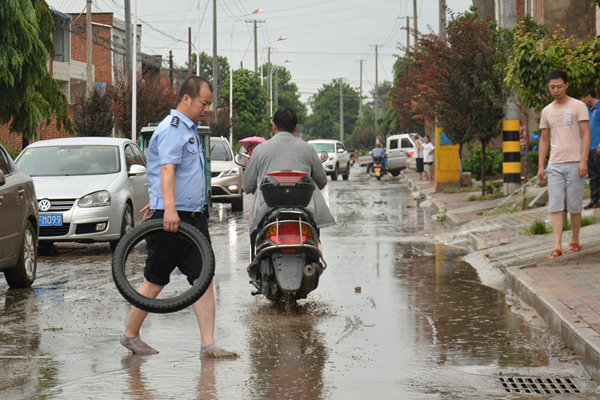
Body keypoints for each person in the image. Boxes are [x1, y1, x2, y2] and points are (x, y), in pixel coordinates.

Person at [120, 76, 236, 358]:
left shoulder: (190, 129)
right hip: (174, 219)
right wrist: (167, 208)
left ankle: (208, 343)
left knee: (203, 278)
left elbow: (178, 174)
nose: (207, 108)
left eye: (209, 103)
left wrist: (160, 200)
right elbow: (167, 170)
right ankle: (130, 335)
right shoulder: (173, 129)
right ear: (186, 99)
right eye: (203, 103)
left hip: (193, 219)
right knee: (156, 279)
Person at [242, 107, 335, 247]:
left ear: (273, 125)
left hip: (265, 212)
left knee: (256, 240)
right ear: (296, 128)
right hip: (304, 212)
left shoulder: (259, 150)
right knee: (314, 243)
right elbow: (321, 181)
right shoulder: (308, 149)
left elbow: (248, 185)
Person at [537, 70, 591, 259]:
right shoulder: (547, 111)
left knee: (575, 206)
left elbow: (586, 134)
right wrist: (541, 166)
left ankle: (574, 241)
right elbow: (544, 139)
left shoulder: (578, 106)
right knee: (556, 206)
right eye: (552, 87)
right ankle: (558, 247)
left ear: (566, 85)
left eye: (559, 86)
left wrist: (584, 160)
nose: (555, 90)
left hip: (576, 163)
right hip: (555, 164)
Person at [581, 89, 600, 209]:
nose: (582, 101)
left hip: (598, 148)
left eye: (583, 98)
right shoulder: (588, 110)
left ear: (588, 96)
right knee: (593, 176)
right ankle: (594, 200)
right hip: (589, 148)